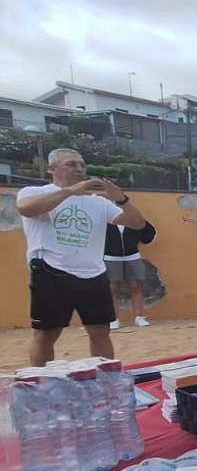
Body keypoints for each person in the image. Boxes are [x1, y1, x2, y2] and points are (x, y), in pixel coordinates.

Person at [17, 148, 147, 366]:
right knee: (47, 333)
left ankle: (106, 380)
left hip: (93, 273)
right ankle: (41, 383)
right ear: (52, 169)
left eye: (82, 164)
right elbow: (26, 209)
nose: (79, 169)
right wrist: (70, 191)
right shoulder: (34, 192)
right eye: (71, 164)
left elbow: (137, 224)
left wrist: (122, 200)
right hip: (51, 270)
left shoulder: (98, 201)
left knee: (100, 330)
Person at [104, 218, 157, 329]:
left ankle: (139, 317)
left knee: (136, 286)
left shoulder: (132, 217)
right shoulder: (105, 218)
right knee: (112, 288)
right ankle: (113, 319)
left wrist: (137, 240)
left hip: (132, 256)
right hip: (111, 257)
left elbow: (150, 232)